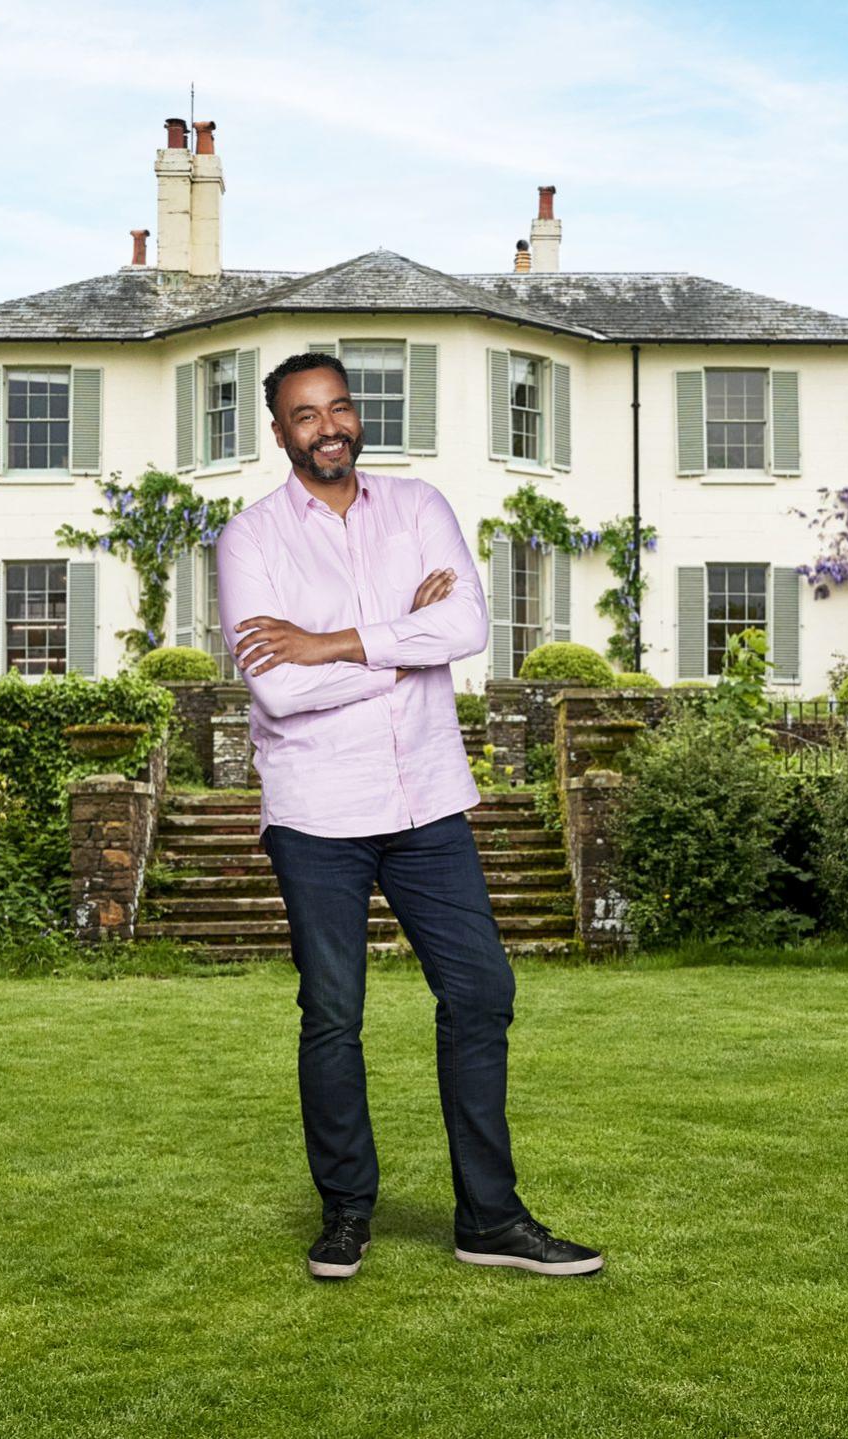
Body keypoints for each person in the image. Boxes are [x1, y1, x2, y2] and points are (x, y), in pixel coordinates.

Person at [216, 352, 603, 1282]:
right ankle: (347, 1210)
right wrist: (401, 638)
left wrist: (336, 640)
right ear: (279, 434)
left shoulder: (422, 508)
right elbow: (275, 686)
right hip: (317, 810)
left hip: (427, 799)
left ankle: (491, 1218)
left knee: (481, 994)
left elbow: (466, 628)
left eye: (339, 407)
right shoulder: (250, 539)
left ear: (357, 416)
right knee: (333, 1012)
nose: (329, 426)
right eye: (306, 415)